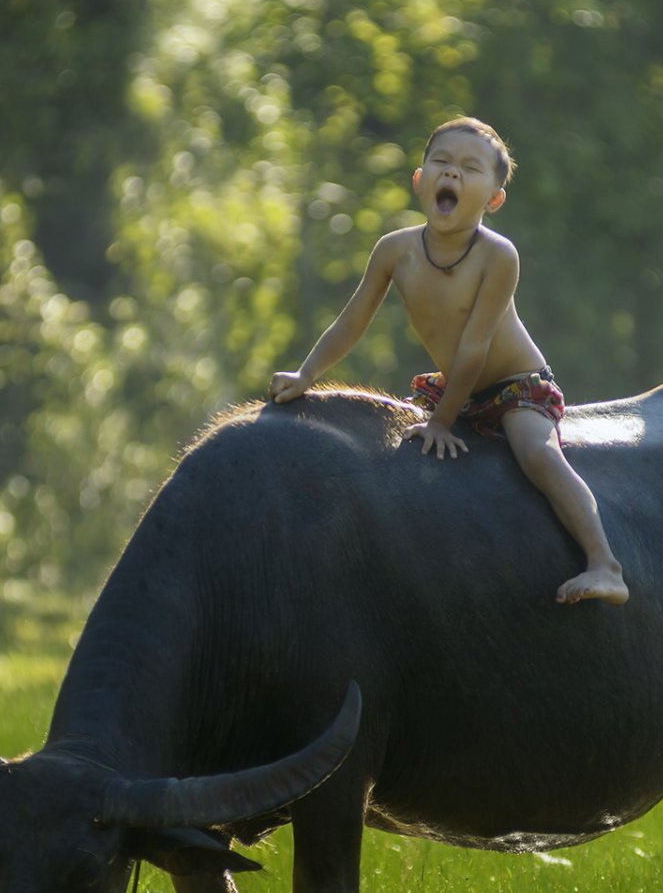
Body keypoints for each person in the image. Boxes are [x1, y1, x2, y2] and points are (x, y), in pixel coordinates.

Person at [269, 117, 630, 605]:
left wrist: (442, 422)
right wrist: (306, 374)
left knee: (537, 455)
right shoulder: (394, 249)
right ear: (420, 180)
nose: (452, 175)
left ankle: (604, 564)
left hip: (512, 385)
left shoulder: (497, 257)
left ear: (493, 199)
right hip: (452, 385)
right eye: (441, 162)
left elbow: (475, 347)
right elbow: (351, 322)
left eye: (469, 168)